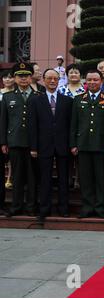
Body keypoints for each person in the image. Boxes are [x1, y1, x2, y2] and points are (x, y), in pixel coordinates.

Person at [28, 69, 73, 223]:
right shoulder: (35, 100)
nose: (52, 81)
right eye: (49, 78)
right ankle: (44, 209)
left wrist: (71, 145)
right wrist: (33, 147)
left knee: (63, 179)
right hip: (43, 146)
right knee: (45, 179)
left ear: (59, 80)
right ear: (44, 80)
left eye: (55, 78)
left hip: (63, 145)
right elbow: (32, 125)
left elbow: (71, 125)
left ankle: (63, 208)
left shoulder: (67, 101)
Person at [70, 70, 104, 219]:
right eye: (89, 80)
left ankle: (101, 207)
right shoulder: (78, 99)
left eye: (95, 80)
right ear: (85, 82)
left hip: (101, 145)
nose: (92, 83)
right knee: (85, 178)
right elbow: (73, 124)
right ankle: (87, 207)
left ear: (101, 81)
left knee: (101, 178)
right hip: (83, 145)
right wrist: (73, 144)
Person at [0, 63, 39, 217]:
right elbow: (3, 121)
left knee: (32, 177)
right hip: (14, 141)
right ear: (15, 78)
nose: (23, 79)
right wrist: (3, 142)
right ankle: (16, 206)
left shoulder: (38, 96)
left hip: (32, 143)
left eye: (26, 76)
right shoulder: (8, 97)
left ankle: (31, 207)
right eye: (20, 76)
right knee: (16, 176)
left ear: (31, 78)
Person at [0, 69, 15, 214]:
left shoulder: (19, 95)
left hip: (15, 137)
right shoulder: (1, 94)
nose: (8, 80)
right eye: (5, 77)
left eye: (11, 77)